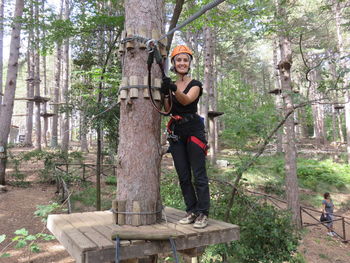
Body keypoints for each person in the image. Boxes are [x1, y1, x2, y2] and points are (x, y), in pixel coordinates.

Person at [160, 45, 210, 229]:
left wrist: (172, 88)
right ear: (173, 63)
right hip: (177, 132)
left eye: (185, 60)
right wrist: (165, 93)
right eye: (178, 60)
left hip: (193, 130)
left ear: (189, 63)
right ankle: (191, 211)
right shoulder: (171, 85)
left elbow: (187, 100)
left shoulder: (195, 84)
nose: (182, 63)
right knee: (183, 175)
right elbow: (167, 109)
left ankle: (203, 213)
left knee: (198, 174)